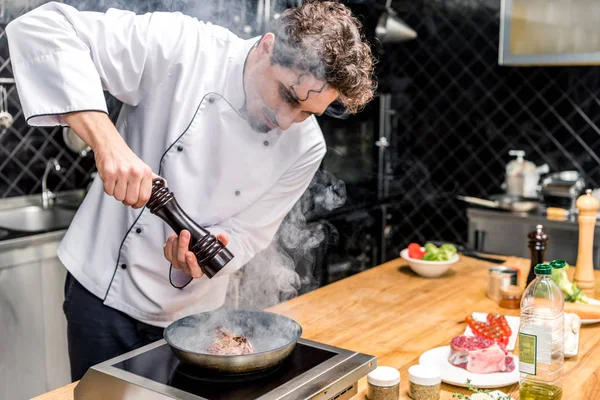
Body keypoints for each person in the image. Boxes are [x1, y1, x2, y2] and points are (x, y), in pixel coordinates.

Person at [6, 0, 376, 381]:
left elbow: (249, 235)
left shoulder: (307, 147)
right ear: (267, 45)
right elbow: (41, 28)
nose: (286, 121)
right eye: (287, 95)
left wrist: (203, 256)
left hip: (197, 319)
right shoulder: (183, 46)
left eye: (306, 113)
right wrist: (107, 142)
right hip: (104, 290)